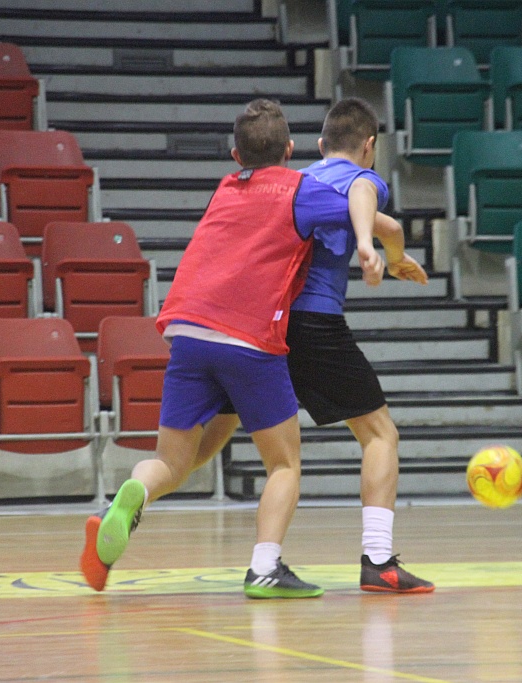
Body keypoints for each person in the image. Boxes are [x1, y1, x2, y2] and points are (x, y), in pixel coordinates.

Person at [79, 98, 385, 599]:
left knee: (175, 463)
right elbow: (359, 194)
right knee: (284, 464)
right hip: (248, 340)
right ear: (290, 149)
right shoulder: (299, 190)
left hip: (187, 333)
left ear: (233, 155)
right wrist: (371, 244)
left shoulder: (225, 189)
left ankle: (131, 494)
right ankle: (265, 568)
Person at [196, 97, 436, 594]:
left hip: (263, 325)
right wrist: (374, 251)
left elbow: (385, 226)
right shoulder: (362, 179)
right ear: (369, 146)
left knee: (208, 441)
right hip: (315, 324)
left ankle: (146, 489)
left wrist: (391, 252)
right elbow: (367, 200)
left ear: (318, 145)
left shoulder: (296, 179)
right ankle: (379, 560)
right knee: (379, 435)